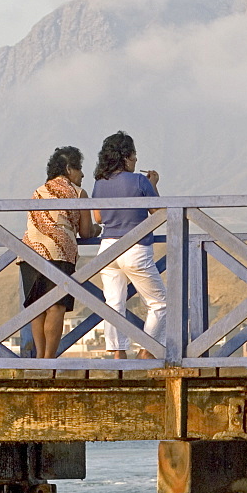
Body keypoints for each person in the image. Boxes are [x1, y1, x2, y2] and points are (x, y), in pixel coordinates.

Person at [20, 146, 100, 358]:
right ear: (68, 169)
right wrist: (97, 230)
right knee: (56, 306)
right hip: (58, 250)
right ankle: (49, 358)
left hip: (29, 250)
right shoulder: (78, 193)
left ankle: (39, 358)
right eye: (79, 168)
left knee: (37, 306)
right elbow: (85, 231)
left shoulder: (38, 191)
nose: (82, 174)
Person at [92, 131, 166, 360]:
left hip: (108, 249)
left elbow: (97, 218)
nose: (136, 161)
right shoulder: (140, 181)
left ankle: (117, 354)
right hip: (135, 248)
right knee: (160, 303)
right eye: (134, 157)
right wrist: (153, 185)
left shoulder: (99, 183)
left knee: (113, 304)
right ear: (125, 157)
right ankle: (147, 350)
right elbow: (160, 214)